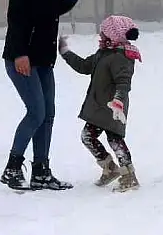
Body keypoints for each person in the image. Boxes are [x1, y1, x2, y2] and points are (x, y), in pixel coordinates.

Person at [0, 0, 80, 191]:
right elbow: (17, 14)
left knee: (48, 114)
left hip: (44, 56)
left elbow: (51, 10)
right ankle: (12, 168)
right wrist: (21, 52)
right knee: (36, 112)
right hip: (22, 56)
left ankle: (41, 171)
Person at [58, 15, 142, 192]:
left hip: (113, 108)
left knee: (114, 139)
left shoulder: (122, 56)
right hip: (99, 107)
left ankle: (129, 176)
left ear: (113, 35)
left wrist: (118, 100)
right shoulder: (103, 53)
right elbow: (84, 67)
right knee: (87, 136)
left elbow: (124, 82)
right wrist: (66, 52)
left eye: (103, 33)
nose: (100, 36)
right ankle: (110, 168)